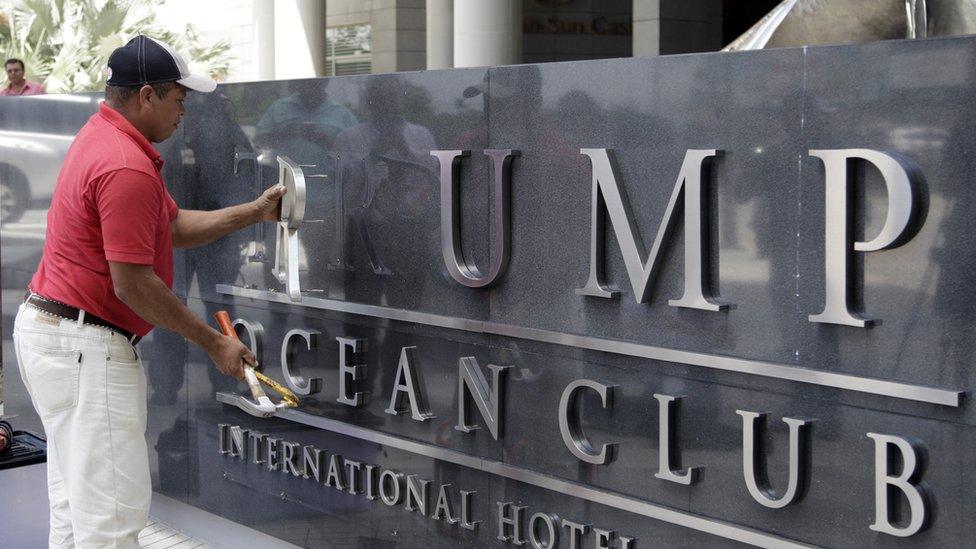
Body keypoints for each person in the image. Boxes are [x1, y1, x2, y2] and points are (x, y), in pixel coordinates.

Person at [11, 35, 284, 548]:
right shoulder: (125, 165)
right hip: (84, 350)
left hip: (58, 336)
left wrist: (252, 212)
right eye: (178, 100)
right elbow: (134, 284)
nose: (183, 114)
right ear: (146, 97)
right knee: (111, 519)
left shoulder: (104, 138)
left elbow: (172, 226)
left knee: (77, 508)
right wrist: (214, 342)